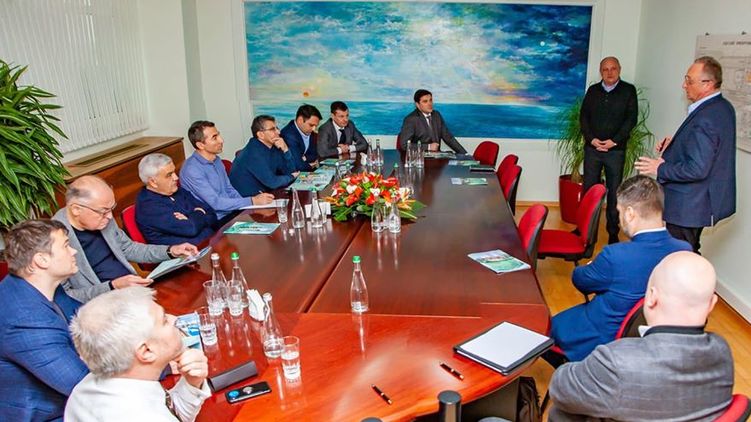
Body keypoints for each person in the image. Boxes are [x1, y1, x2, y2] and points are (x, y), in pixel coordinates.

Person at [549, 251, 734, 420]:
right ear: (712, 304)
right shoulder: (722, 351)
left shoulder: (617, 360)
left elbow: (560, 389)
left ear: (652, 297)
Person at [550, 176, 690, 362]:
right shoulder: (684, 251)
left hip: (600, 336)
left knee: (545, 328)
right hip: (650, 338)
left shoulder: (615, 256)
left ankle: (573, 374)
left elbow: (581, 281)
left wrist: (590, 266)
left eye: (620, 211)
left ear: (630, 213)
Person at [635, 56, 736, 253]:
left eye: (689, 81)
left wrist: (660, 168)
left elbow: (697, 169)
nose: (684, 85)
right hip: (698, 203)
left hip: (688, 206)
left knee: (679, 257)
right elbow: (711, 150)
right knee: (688, 252)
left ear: (707, 84)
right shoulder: (722, 107)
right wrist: (677, 145)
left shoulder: (706, 117)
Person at [65, 287, 211, 421]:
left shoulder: (84, 389)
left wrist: (191, 383)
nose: (175, 319)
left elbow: (171, 414)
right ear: (146, 351)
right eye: (164, 320)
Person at [53, 175, 198, 302]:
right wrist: (112, 286)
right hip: (104, 307)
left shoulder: (103, 219)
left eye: (111, 209)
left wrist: (170, 251)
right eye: (103, 211)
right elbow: (66, 297)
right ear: (76, 209)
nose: (110, 216)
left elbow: (129, 248)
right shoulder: (55, 240)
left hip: (135, 292)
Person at [0, 219, 89, 421]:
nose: (74, 251)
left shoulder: (44, 286)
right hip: (52, 414)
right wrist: (153, 361)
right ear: (41, 260)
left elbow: (90, 320)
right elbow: (84, 386)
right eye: (66, 245)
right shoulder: (24, 319)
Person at [580, 56, 638, 244]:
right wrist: (592, 140)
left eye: (613, 68)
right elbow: (584, 117)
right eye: (605, 69)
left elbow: (631, 119)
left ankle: (612, 231)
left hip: (615, 151)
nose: (609, 72)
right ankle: (585, 230)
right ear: (601, 72)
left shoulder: (628, 91)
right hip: (593, 149)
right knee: (589, 191)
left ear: (619, 69)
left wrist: (614, 141)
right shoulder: (593, 91)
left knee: (614, 192)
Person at [179, 120, 274, 222]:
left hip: (231, 212)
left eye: (218, 135)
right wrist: (252, 201)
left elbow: (229, 189)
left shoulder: (216, 160)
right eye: (214, 138)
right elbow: (216, 203)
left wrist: (247, 207)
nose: (221, 140)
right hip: (215, 220)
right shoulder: (192, 170)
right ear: (200, 145)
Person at [135, 153, 217, 246]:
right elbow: (191, 229)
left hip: (210, 242)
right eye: (169, 175)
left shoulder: (176, 190)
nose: (176, 178)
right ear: (153, 182)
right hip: (190, 252)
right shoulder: (148, 207)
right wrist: (199, 212)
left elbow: (212, 214)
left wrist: (191, 218)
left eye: (174, 172)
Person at [229, 115, 299, 196]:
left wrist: (285, 149)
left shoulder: (272, 147)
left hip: (265, 194)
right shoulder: (253, 153)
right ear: (260, 135)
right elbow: (273, 182)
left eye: (277, 128)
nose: (278, 132)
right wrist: (291, 177)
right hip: (247, 200)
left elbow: (291, 171)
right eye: (272, 129)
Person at [398, 89, 467, 154]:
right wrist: (428, 147)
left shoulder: (436, 115)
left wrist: (465, 154)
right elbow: (404, 145)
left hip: (437, 157)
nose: (429, 104)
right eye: (425, 101)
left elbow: (448, 138)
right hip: (419, 158)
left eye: (430, 100)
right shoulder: (411, 119)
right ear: (417, 105)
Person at [280, 104, 322, 171]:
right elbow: (298, 165)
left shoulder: (309, 131)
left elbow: (315, 154)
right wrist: (310, 165)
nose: (314, 129)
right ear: (300, 120)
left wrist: (305, 158)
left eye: (316, 126)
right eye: (311, 125)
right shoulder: (288, 135)